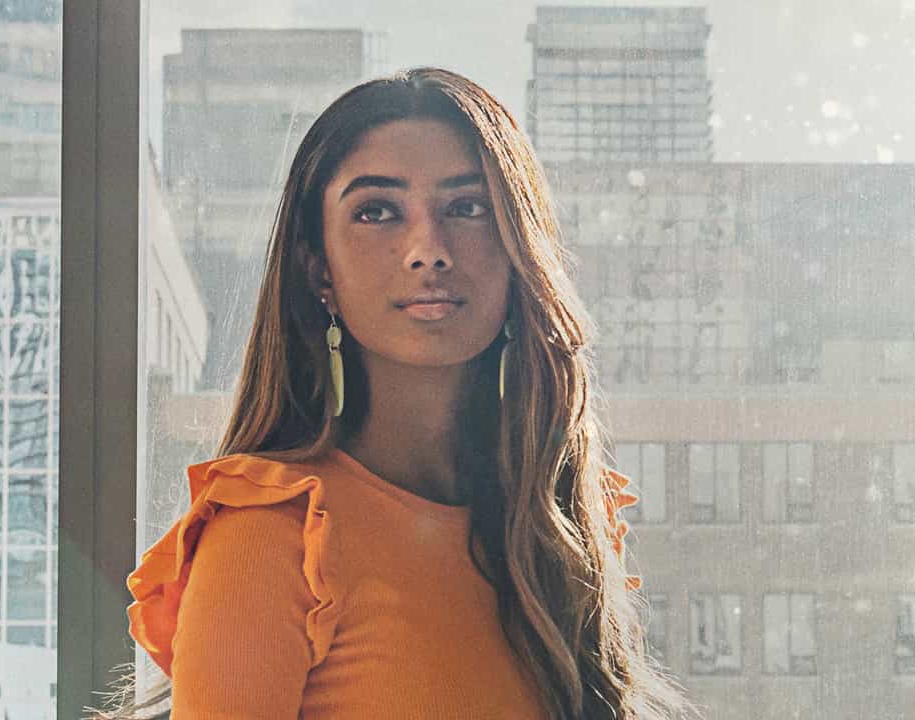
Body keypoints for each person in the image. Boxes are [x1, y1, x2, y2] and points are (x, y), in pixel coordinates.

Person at [96, 68, 697, 719]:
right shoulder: (272, 536)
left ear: (520, 245)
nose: (427, 250)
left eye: (467, 208)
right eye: (377, 212)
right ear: (317, 268)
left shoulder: (556, 526)